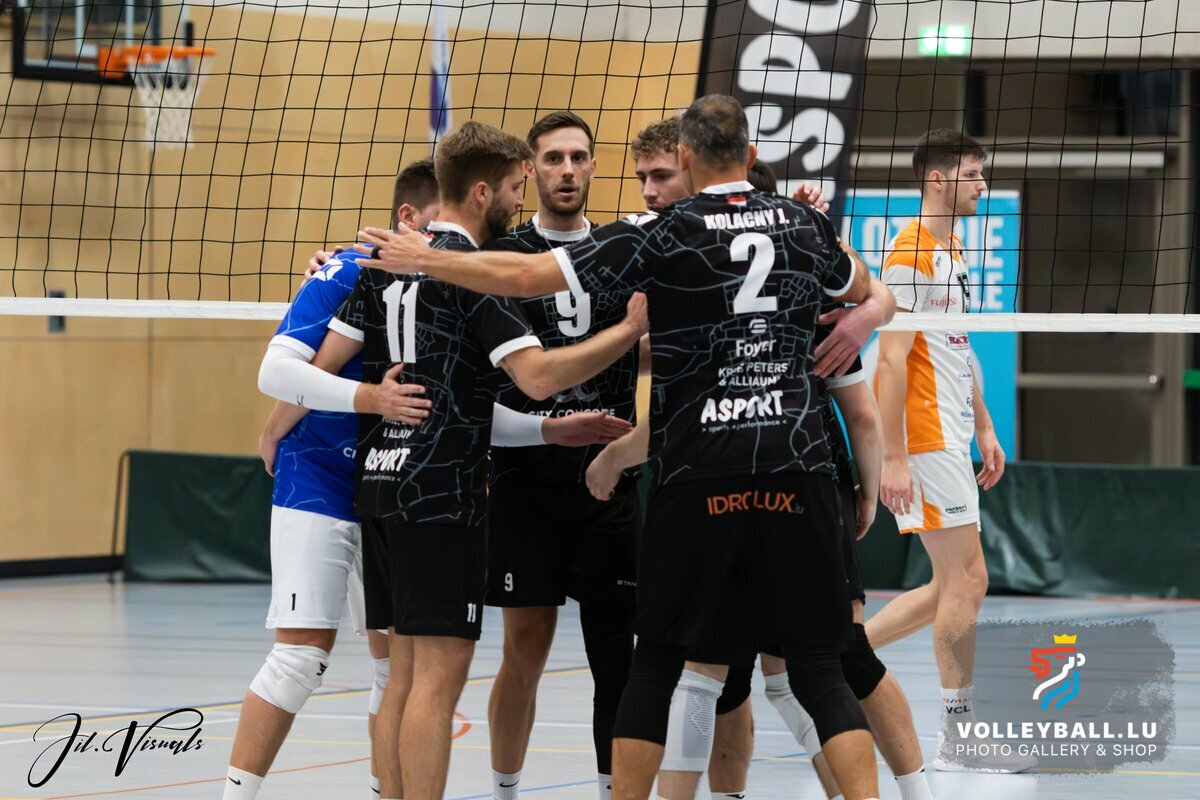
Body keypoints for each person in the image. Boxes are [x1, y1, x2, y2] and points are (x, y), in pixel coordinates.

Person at [357, 94, 891, 800]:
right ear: (752, 155)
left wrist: (427, 258)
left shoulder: (658, 234)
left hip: (698, 471)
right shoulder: (806, 225)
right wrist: (866, 318)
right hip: (796, 466)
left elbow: (523, 278)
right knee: (818, 670)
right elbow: (871, 291)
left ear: (687, 158)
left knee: (657, 662)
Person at [275, 120, 648, 800]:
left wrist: (275, 429)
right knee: (436, 682)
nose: (519, 198)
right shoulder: (473, 273)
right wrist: (627, 331)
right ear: (482, 192)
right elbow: (538, 377)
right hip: (440, 493)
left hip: (379, 482)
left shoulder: (384, 264)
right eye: (513, 187)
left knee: (400, 675)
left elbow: (325, 365)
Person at [223, 159, 440, 800]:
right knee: (299, 657)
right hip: (317, 473)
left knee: (395, 667)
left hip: (395, 481)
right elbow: (279, 371)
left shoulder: (462, 275)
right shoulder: (346, 271)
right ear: (407, 217)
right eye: (437, 223)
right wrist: (342, 406)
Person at [482, 111, 641, 800]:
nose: (567, 170)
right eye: (553, 159)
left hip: (610, 483)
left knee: (616, 658)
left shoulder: (622, 249)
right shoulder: (505, 254)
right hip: (527, 481)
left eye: (578, 157)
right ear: (530, 169)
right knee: (525, 650)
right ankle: (504, 790)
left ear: (594, 166)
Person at [864, 129, 1020, 774]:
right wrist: (893, 457)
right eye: (973, 174)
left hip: (953, 428)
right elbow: (890, 361)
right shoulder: (908, 253)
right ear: (937, 179)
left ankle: (832, 659)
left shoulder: (952, 245)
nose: (982, 185)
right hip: (924, 434)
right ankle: (960, 735)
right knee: (969, 580)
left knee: (948, 586)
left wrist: (983, 423)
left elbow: (956, 342)